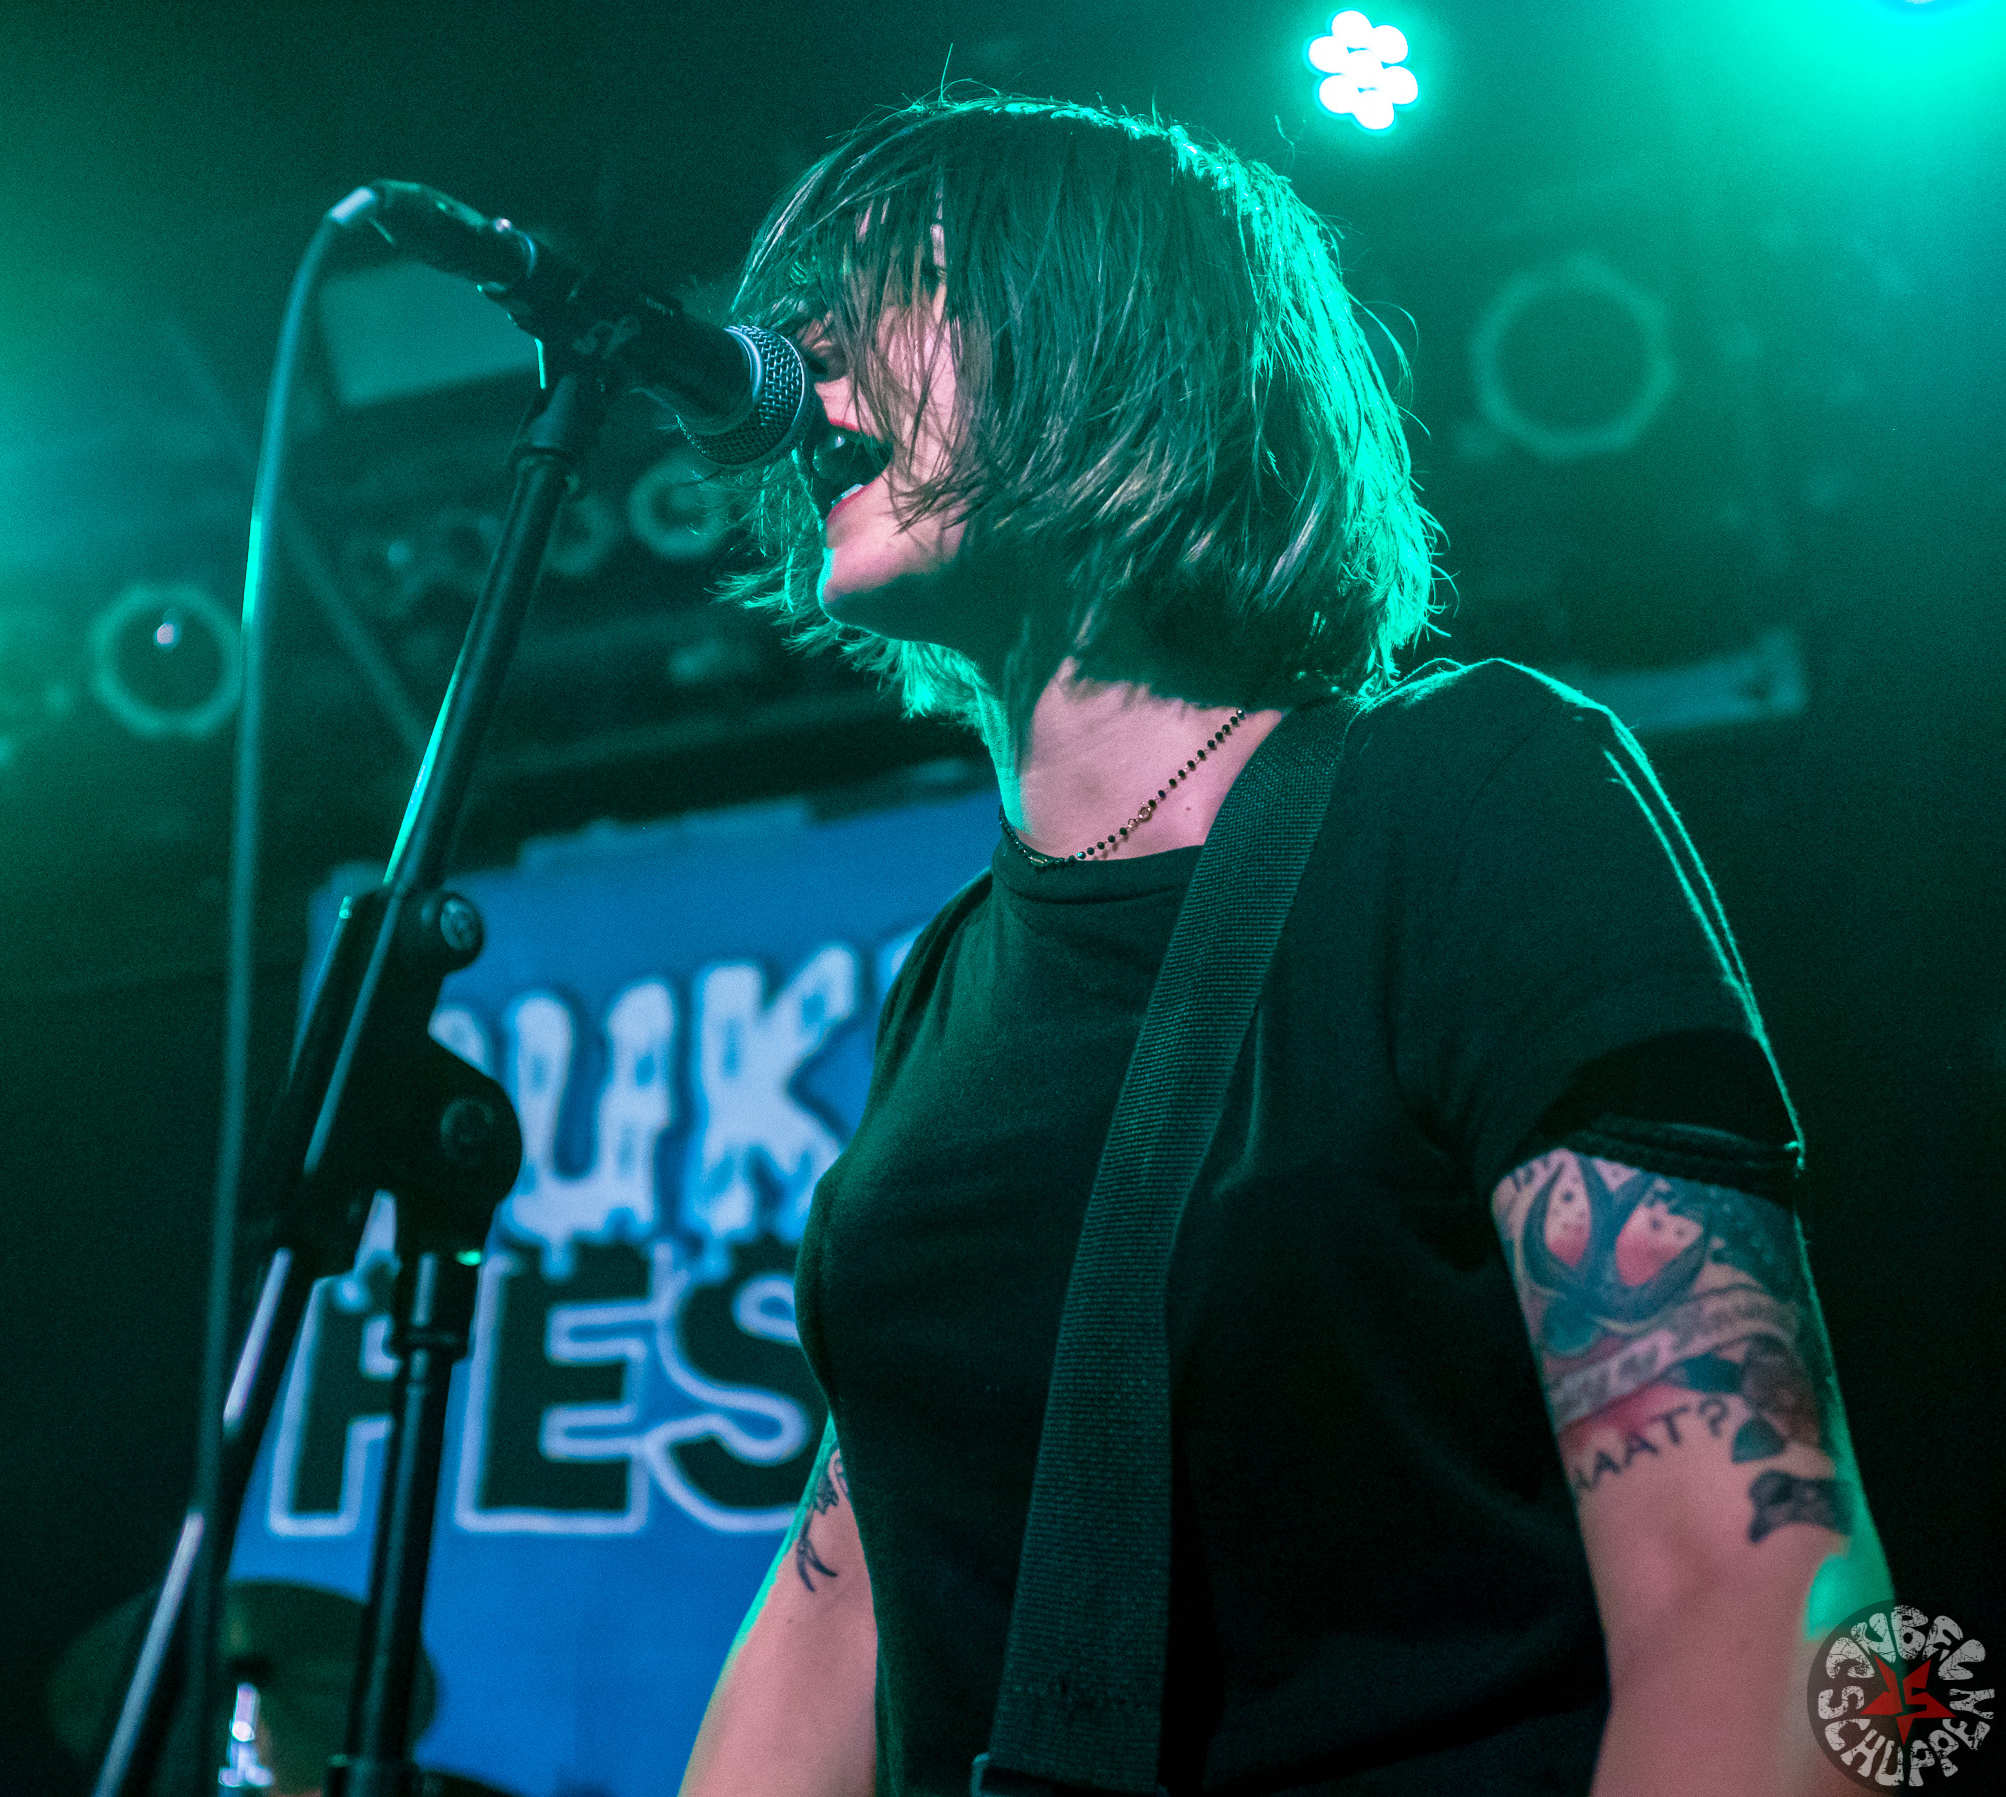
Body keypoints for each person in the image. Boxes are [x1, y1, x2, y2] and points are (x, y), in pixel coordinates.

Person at [676, 95, 1889, 1797]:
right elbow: (849, 1596)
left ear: (1131, 345)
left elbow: (1757, 1592)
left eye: (917, 279)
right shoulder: (949, 985)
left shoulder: (1469, 797)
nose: (810, 350)